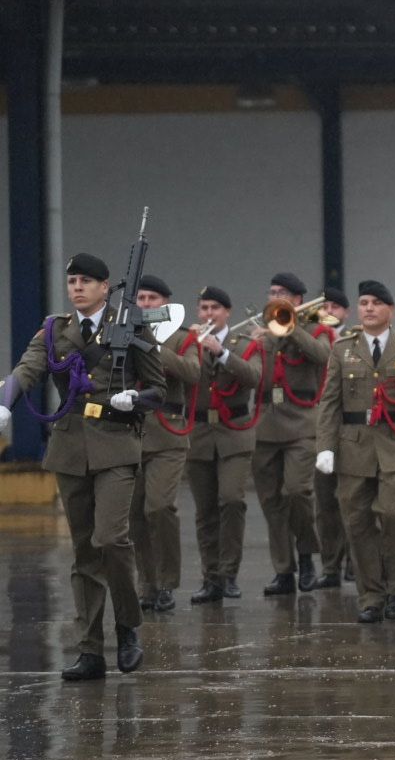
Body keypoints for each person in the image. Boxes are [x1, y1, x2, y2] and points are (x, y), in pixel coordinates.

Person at [1, 252, 166, 679]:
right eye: (72, 279)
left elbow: (160, 389)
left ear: (104, 285)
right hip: (71, 446)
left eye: (86, 280)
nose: (77, 286)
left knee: (112, 539)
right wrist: (5, 403)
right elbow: (28, 367)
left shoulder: (131, 325)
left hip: (116, 444)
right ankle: (90, 649)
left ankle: (128, 625)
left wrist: (137, 399)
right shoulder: (56, 329)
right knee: (84, 551)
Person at [314, 280, 395, 623]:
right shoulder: (342, 348)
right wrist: (325, 447)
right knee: (356, 521)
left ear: (390, 310)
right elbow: (329, 402)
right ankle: (371, 595)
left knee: (393, 515)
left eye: (375, 303)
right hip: (354, 446)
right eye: (364, 302)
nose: (368, 308)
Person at [250, 271, 332, 595]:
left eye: (281, 292)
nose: (274, 297)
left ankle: (307, 554)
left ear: (298, 300)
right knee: (271, 502)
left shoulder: (317, 329)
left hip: (301, 423)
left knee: (298, 491)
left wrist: (291, 327)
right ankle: (283, 570)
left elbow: (322, 355)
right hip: (266, 423)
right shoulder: (262, 334)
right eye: (271, 292)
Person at [186, 286, 264, 603]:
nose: (208, 314)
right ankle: (211, 577)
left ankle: (229, 573)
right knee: (205, 510)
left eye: (215, 308)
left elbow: (254, 377)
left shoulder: (246, 344)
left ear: (227, 312)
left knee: (231, 499)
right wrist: (191, 347)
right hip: (200, 432)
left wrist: (221, 352)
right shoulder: (188, 344)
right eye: (203, 307)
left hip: (235, 432)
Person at [129, 274, 199, 613]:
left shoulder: (182, 338)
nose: (144, 304)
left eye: (151, 299)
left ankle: (167, 581)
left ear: (165, 304)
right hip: (132, 431)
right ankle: (148, 584)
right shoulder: (123, 335)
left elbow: (193, 373)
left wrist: (154, 348)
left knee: (158, 507)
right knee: (135, 516)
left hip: (168, 433)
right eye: (140, 299)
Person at [309, 287, 350, 587]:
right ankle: (330, 566)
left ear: (346, 313)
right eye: (325, 306)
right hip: (321, 425)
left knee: (352, 499)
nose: (329, 311)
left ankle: (355, 561)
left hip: (352, 429)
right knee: (324, 504)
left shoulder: (354, 339)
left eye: (336, 307)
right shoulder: (311, 335)